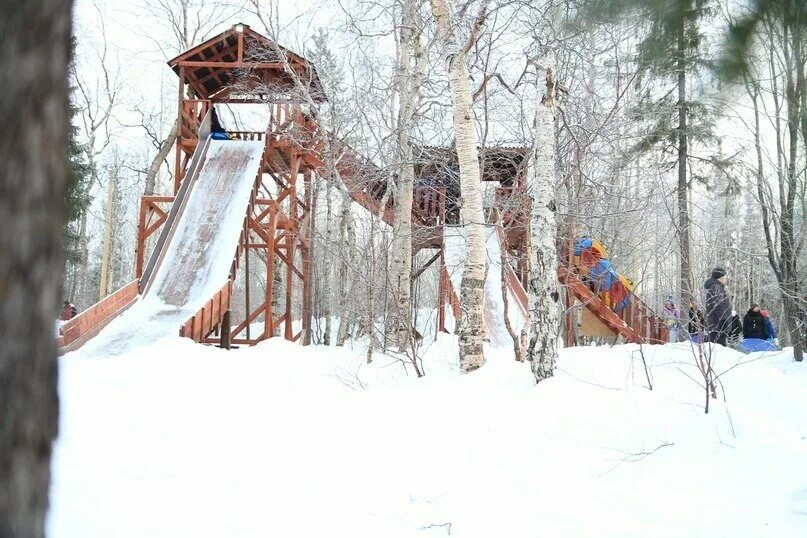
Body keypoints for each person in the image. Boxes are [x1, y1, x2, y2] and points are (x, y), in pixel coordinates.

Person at [704, 267, 732, 346]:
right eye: (725, 277)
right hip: (718, 326)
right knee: (718, 352)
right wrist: (723, 320)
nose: (726, 279)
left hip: (716, 325)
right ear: (720, 277)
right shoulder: (716, 287)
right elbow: (718, 305)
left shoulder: (716, 286)